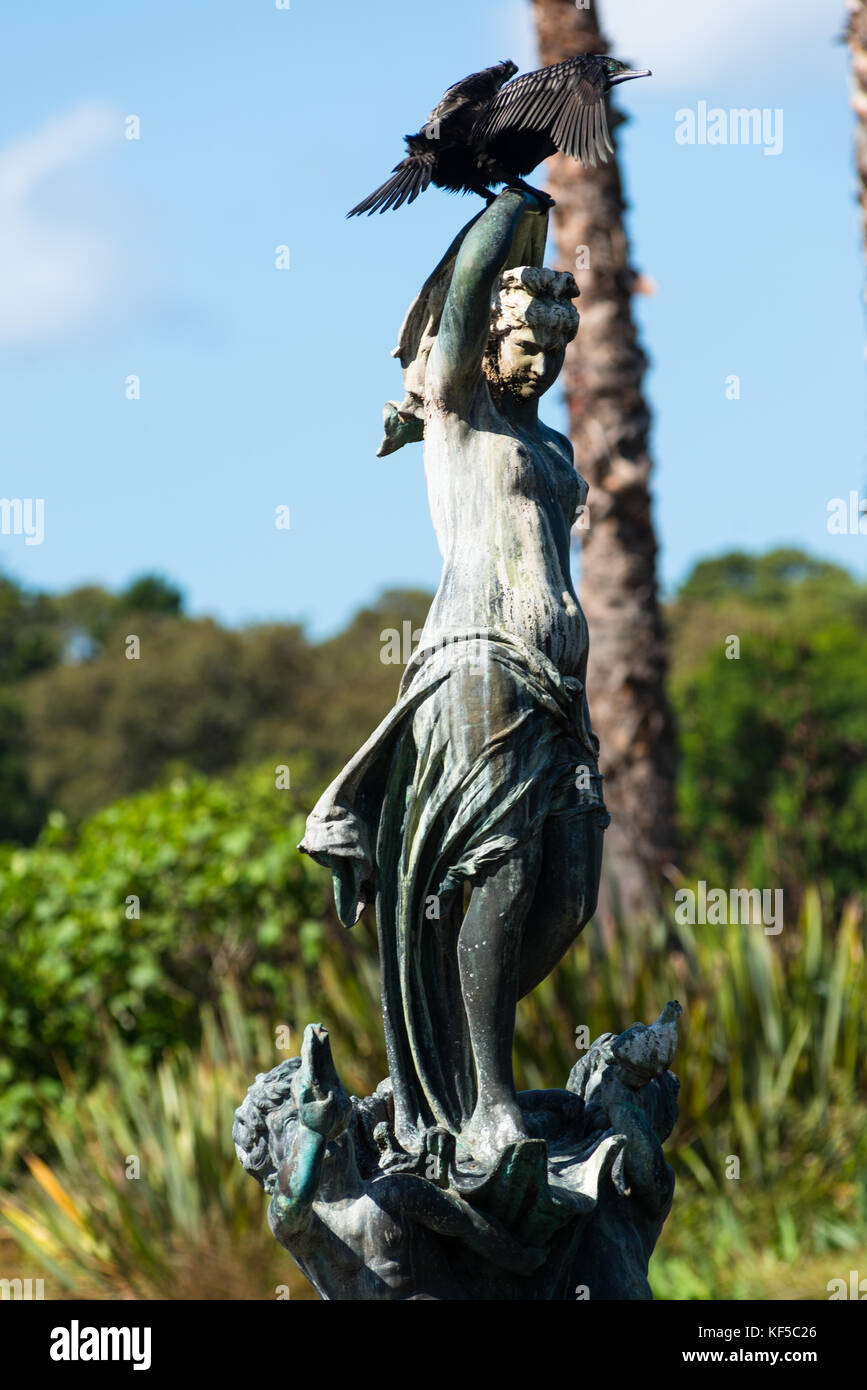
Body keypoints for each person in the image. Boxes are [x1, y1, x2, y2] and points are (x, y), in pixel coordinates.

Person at [300, 188, 608, 1164]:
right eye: (527, 343)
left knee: (568, 891)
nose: (545, 362)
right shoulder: (458, 415)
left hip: (556, 692)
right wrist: (519, 199)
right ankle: (485, 1100)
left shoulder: (550, 444)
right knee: (504, 869)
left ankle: (442, 1058)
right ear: (482, 346)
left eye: (557, 347)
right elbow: (471, 282)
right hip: (475, 670)